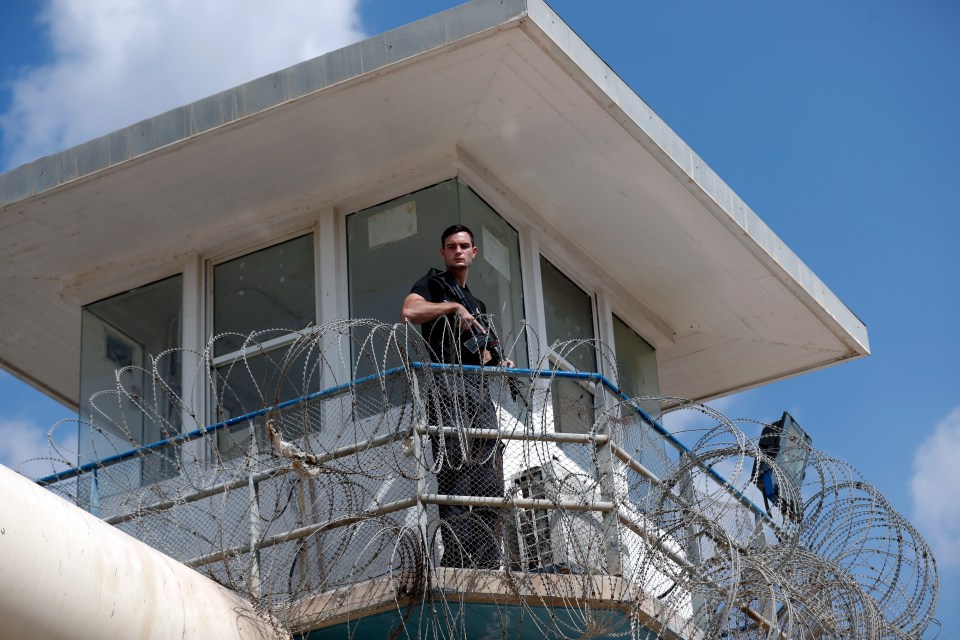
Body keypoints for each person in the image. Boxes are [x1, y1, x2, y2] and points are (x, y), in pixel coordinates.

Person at [401, 224, 513, 568]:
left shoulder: (476, 303)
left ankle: (486, 559)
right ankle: (458, 559)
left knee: (489, 482)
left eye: (464, 246)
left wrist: (499, 360)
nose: (458, 251)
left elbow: (484, 353)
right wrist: (450, 308)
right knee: (455, 476)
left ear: (474, 252)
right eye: (452, 246)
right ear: (443, 253)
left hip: (477, 396)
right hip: (447, 390)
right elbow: (410, 311)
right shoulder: (434, 284)